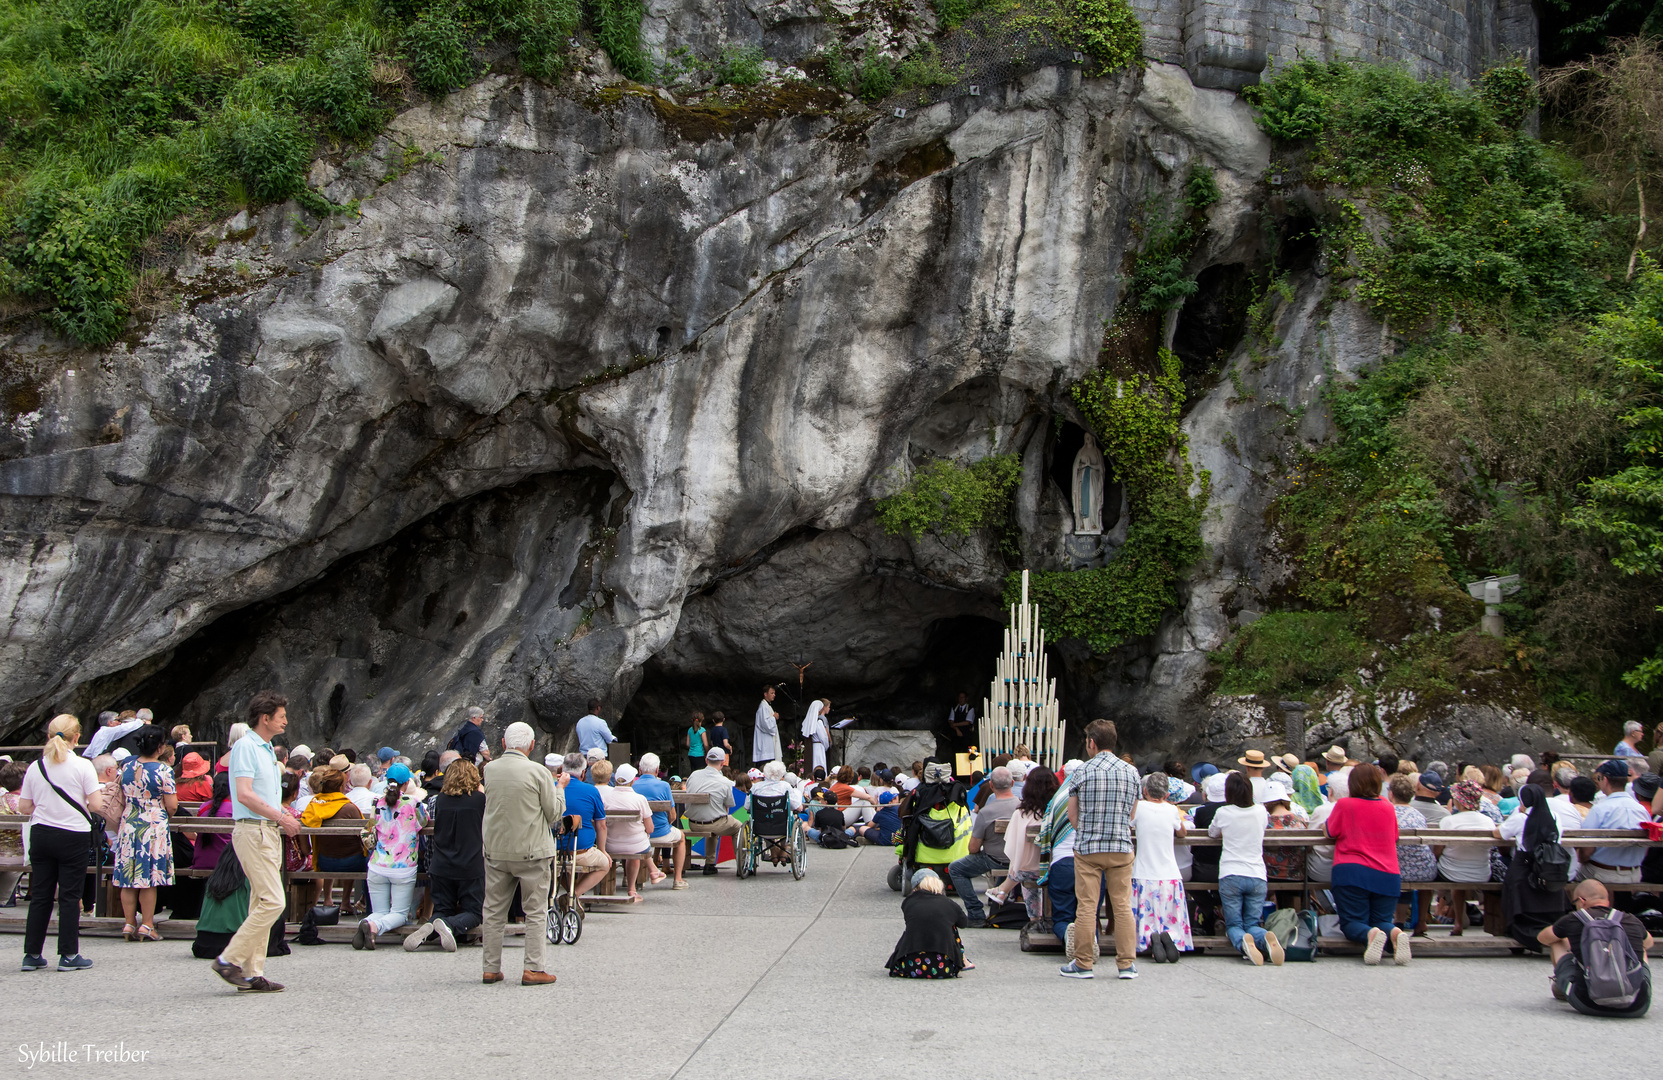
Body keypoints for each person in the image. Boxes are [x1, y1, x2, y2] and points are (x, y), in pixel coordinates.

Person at [210, 690, 299, 993]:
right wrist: (282, 816)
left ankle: (251, 972)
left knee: (260, 901)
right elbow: (245, 793)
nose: (286, 720)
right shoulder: (247, 747)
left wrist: (281, 813)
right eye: (281, 716)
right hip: (254, 829)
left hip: (265, 829)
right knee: (274, 901)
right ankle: (229, 959)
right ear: (265, 718)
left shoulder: (265, 748)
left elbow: (259, 793)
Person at [18, 715, 105, 972]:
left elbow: (24, 806)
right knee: (69, 896)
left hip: (42, 833)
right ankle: (68, 954)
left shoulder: (36, 767)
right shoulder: (82, 766)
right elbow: (96, 805)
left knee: (41, 896)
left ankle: (32, 954)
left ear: (49, 735)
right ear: (76, 737)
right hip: (72, 834)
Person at [479, 722, 562, 985]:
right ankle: (533, 968)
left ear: (503, 743)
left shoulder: (489, 770)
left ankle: (490, 968)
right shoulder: (538, 772)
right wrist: (559, 788)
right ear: (532, 746)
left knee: (493, 910)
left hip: (496, 850)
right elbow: (553, 813)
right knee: (535, 911)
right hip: (532, 851)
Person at [1059, 720, 1140, 980]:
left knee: (1087, 907)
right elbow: (1131, 815)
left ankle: (1083, 964)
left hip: (1089, 848)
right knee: (1122, 906)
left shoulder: (1082, 772)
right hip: (1120, 847)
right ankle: (1126, 964)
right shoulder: (1131, 773)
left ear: (1091, 743)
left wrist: (1088, 831)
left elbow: (1073, 816)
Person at [1326, 762, 1409, 965]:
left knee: (1353, 923)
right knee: (1382, 920)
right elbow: (1395, 836)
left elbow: (1330, 831)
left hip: (1352, 871)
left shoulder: (1345, 805)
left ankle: (1369, 935)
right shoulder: (1388, 807)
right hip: (1387, 874)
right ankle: (1395, 933)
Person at [405, 758, 487, 951]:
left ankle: (432, 924)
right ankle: (449, 926)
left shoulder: (440, 800)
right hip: (470, 865)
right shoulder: (479, 800)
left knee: (443, 908)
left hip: (441, 864)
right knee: (474, 912)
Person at [1539, 879, 1652, 1017]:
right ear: (1607, 900)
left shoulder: (1573, 919)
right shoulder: (1631, 920)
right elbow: (1649, 943)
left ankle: (1563, 984)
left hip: (1588, 1004)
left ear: (1581, 901)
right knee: (1641, 947)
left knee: (1557, 941)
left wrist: (1572, 941)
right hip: (1637, 1007)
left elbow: (1543, 938)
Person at [352, 764, 429, 949]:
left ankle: (367, 924)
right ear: (407, 783)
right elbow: (424, 821)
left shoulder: (377, 803)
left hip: (377, 864)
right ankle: (374, 926)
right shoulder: (413, 803)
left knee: (380, 910)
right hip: (403, 866)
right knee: (399, 914)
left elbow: (371, 826)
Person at [112, 725, 177, 942]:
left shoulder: (127, 767)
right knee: (148, 876)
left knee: (128, 876)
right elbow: (172, 805)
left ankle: (129, 923)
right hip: (153, 824)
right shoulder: (163, 771)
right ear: (160, 748)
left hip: (129, 823)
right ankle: (147, 925)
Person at [1210, 771, 1279, 966]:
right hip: (1257, 873)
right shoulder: (1260, 811)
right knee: (1252, 923)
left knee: (1234, 924)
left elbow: (1212, 833)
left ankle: (1243, 943)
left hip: (1231, 873)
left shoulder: (1224, 812)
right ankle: (1263, 937)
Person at [1500, 783, 1576, 948]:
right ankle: (1553, 928)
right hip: (1548, 866)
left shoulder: (1521, 817)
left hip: (1525, 866)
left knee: (1511, 881)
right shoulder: (1554, 816)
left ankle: (1521, 929)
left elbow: (1500, 834)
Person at [1131, 772, 1192, 959]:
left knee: (1145, 912)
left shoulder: (1139, 807)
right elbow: (1181, 833)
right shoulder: (1172, 810)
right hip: (1169, 872)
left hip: (1143, 871)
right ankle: (1171, 936)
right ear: (1166, 795)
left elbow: (1129, 823)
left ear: (1144, 791)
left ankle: (1149, 937)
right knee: (1170, 913)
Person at [987, 764, 1057, 921]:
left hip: (1028, 871)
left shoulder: (1022, 813)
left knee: (1021, 866)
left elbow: (1012, 846)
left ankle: (1034, 918)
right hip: (1056, 867)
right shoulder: (1056, 811)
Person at [950, 766, 1017, 926]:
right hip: (1019, 861)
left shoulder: (986, 812)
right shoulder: (1022, 807)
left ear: (991, 786)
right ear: (1012, 783)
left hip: (994, 859)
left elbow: (973, 848)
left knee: (956, 869)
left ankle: (976, 913)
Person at [300, 766, 365, 917]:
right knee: (357, 852)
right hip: (352, 863)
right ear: (342, 786)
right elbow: (363, 836)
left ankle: (328, 898)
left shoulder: (314, 806)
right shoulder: (349, 807)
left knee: (334, 847)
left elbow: (303, 822)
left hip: (324, 861)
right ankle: (348, 901)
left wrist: (307, 850)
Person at [1576, 759, 1650, 886]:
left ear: (1605, 780)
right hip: (1635, 874)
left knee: (1572, 873)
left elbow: (1586, 851)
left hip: (1602, 873)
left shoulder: (1600, 809)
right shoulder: (1641, 810)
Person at [886, 869, 971, 978]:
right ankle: (963, 961)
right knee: (950, 926)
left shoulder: (908, 903)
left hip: (910, 967)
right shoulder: (949, 904)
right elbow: (963, 923)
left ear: (915, 888)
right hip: (944, 968)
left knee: (917, 926)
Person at [554, 752, 612, 897]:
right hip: (581, 851)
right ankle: (573, 895)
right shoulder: (591, 791)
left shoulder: (552, 788)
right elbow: (601, 825)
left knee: (556, 867)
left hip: (553, 850)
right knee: (605, 863)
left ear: (562, 769)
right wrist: (603, 850)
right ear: (583, 773)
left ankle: (570, 895)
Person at [594, 761, 653, 901]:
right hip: (636, 846)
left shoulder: (605, 798)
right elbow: (650, 828)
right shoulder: (640, 799)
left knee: (634, 841)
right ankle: (631, 889)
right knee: (637, 842)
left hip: (610, 845)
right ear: (633, 780)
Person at [634, 753, 689, 889]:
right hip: (660, 832)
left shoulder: (633, 785)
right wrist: (667, 824)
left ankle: (628, 878)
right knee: (681, 837)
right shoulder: (664, 786)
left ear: (640, 770)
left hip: (638, 833)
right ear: (657, 770)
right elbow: (673, 815)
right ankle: (678, 879)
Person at [685, 748, 742, 874]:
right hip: (714, 823)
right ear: (722, 763)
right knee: (737, 826)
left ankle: (710, 863)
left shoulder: (694, 775)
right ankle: (741, 863)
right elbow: (729, 805)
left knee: (715, 820)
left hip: (693, 823)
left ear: (706, 760)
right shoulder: (725, 782)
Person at [940, 691, 976, 767]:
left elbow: (968, 722)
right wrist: (957, 729)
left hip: (966, 736)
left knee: (966, 754)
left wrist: (955, 725)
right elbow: (951, 721)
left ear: (966, 699)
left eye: (962, 697)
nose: (961, 699)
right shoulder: (954, 708)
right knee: (955, 753)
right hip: (956, 737)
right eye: (960, 697)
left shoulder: (970, 709)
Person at [801, 699, 831, 775]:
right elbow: (824, 737)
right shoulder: (818, 722)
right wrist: (827, 746)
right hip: (819, 746)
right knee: (820, 764)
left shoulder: (809, 721)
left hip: (812, 746)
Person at [753, 686, 780, 764]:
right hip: (764, 742)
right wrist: (774, 718)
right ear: (765, 694)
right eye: (771, 693)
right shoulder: (763, 707)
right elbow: (765, 724)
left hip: (768, 741)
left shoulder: (768, 706)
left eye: (774, 693)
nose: (774, 695)